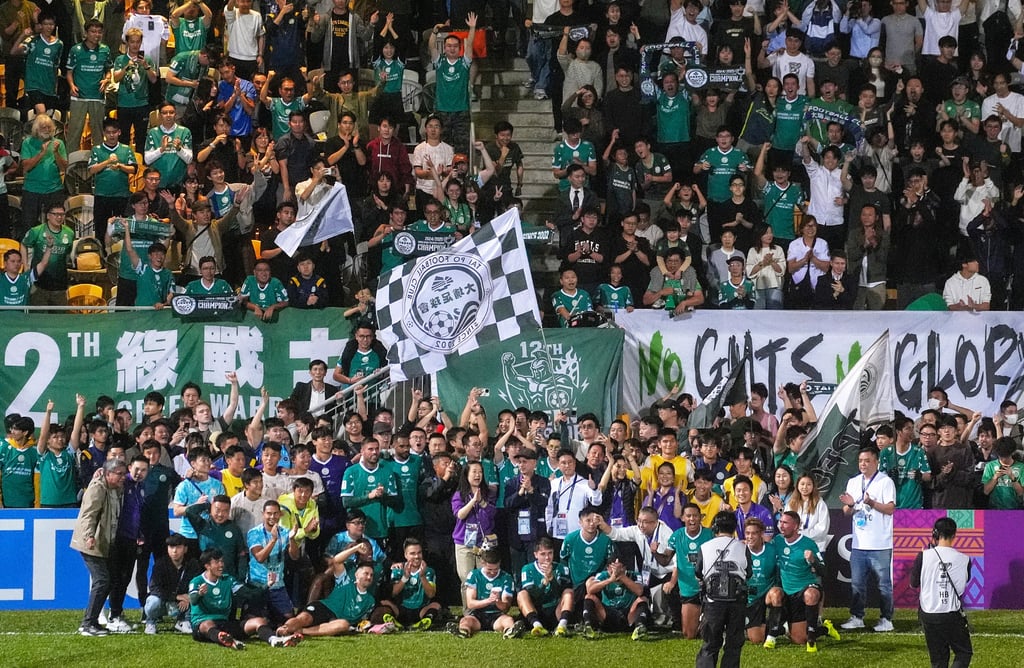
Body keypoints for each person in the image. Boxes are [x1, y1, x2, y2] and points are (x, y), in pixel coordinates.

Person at [188, 547, 301, 648]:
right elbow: (193, 600)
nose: (221, 565)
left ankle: (274, 640)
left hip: (224, 623)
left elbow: (249, 594)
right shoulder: (197, 581)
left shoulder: (228, 580)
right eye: (217, 562)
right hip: (203, 624)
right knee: (207, 624)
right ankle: (222, 638)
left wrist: (267, 584)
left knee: (259, 621)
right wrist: (200, 594)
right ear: (207, 565)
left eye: (222, 561)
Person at [839, 445, 896, 633]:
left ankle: (886, 619)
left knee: (884, 585)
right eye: (861, 461)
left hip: (880, 542)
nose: (863, 464)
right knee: (857, 583)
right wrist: (851, 505)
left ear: (876, 462)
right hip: (859, 543)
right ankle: (857, 617)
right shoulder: (853, 482)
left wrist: (871, 502)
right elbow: (847, 512)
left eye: (867, 461)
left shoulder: (885, 482)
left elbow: (890, 509)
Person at [765, 510, 839, 651]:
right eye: (780, 522)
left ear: (796, 526)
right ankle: (773, 635)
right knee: (775, 594)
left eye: (785, 523)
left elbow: (824, 571)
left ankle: (812, 638)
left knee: (810, 596)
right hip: (787, 594)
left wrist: (813, 561)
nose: (781, 525)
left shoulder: (808, 544)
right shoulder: (778, 541)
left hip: (804, 590)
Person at [70, 458, 127, 636]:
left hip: (103, 542)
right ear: (107, 473)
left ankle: (92, 621)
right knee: (102, 580)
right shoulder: (97, 488)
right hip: (91, 542)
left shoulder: (114, 488)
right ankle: (87, 624)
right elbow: (88, 514)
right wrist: (88, 536)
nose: (123, 477)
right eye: (119, 474)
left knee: (108, 580)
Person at [911, 517, 973, 668]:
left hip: (928, 613)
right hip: (951, 613)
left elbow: (913, 584)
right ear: (954, 535)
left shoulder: (923, 556)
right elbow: (963, 584)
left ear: (935, 534)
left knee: (938, 660)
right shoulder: (965, 559)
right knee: (964, 652)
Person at [694, 511, 750, 667]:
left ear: (715, 527)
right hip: (736, 602)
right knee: (733, 645)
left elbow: (698, 571)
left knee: (710, 644)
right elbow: (749, 572)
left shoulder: (704, 547)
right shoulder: (742, 547)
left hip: (713, 602)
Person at [664, 503, 713, 639]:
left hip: (709, 588)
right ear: (683, 518)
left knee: (712, 633)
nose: (692, 519)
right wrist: (655, 552)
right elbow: (665, 560)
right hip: (688, 589)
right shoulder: (677, 536)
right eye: (689, 516)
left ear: (701, 517)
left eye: (695, 516)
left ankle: (707, 619)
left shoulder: (710, 535)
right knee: (689, 634)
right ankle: (701, 621)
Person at [65, 19, 111, 151]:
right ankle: (71, 164)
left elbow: (108, 70)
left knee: (98, 133)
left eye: (99, 32)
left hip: (97, 95)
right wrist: (71, 85)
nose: (96, 35)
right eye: (93, 31)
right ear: (86, 33)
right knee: (75, 131)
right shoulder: (76, 50)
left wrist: (106, 79)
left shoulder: (105, 50)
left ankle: (98, 162)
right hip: (79, 96)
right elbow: (69, 72)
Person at [515, 537, 574, 637]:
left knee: (569, 592)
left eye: (550, 553)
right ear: (535, 555)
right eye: (543, 554)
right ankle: (537, 625)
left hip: (555, 611)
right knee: (522, 594)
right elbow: (534, 594)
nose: (547, 557)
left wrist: (552, 579)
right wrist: (544, 583)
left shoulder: (561, 568)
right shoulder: (528, 569)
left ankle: (562, 626)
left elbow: (560, 593)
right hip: (537, 611)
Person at [144, 534, 202, 635]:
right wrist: (176, 596)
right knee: (153, 601)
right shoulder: (160, 564)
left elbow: (198, 584)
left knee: (196, 597)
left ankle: (183, 621)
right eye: (171, 547)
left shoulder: (193, 564)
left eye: (178, 547)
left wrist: (189, 597)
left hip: (183, 604)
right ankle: (150, 622)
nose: (174, 551)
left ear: (185, 549)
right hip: (164, 602)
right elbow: (154, 588)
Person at [452, 548, 516, 638]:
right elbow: (470, 604)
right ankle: (464, 631)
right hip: (477, 615)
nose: (493, 572)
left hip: (497, 615)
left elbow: (505, 608)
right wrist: (489, 600)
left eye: (496, 569)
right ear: (482, 563)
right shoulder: (474, 575)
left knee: (508, 620)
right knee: (465, 621)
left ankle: (509, 631)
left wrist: (497, 601)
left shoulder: (506, 577)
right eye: (489, 569)